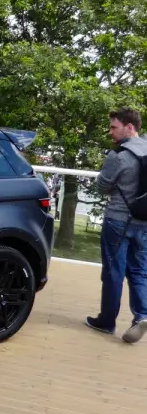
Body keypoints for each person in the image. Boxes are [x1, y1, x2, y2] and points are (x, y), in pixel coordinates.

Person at [86, 107, 147, 343]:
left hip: (118, 221)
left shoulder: (119, 155)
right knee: (140, 271)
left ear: (129, 127)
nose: (110, 132)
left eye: (114, 127)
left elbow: (101, 187)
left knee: (113, 271)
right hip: (144, 222)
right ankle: (142, 315)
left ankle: (106, 321)